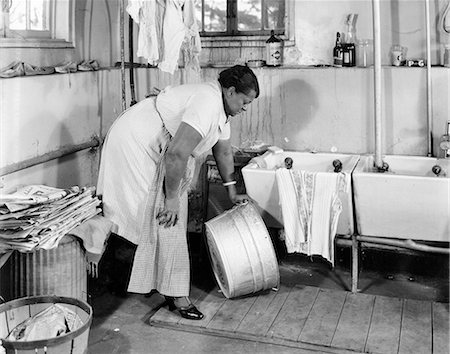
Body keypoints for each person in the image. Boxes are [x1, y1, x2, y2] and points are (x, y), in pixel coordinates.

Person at [97, 65, 260, 320]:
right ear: (230, 91)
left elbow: (224, 151)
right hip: (137, 140)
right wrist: (171, 198)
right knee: (165, 213)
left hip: (161, 143)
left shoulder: (221, 108)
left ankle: (158, 283)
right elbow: (176, 153)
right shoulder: (208, 102)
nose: (245, 108)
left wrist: (231, 191)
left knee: (166, 214)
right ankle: (172, 294)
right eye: (244, 101)